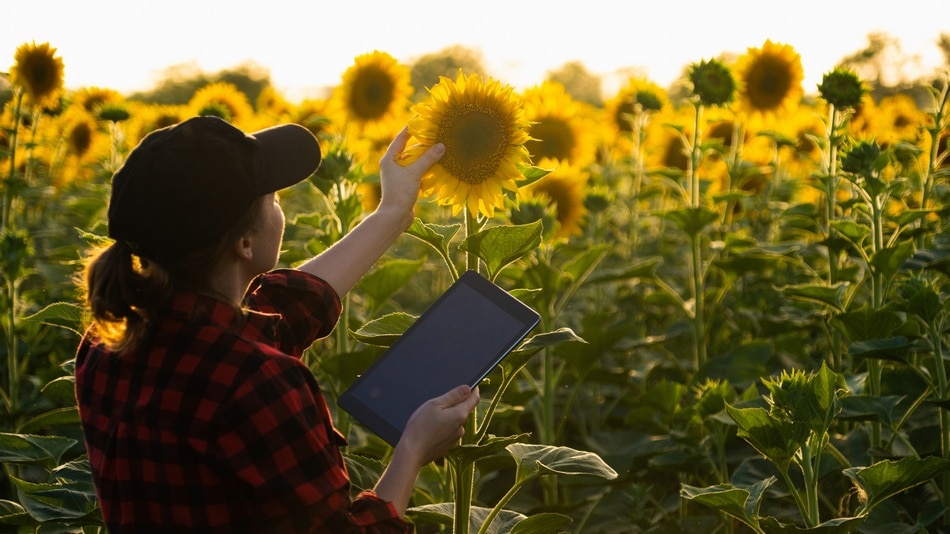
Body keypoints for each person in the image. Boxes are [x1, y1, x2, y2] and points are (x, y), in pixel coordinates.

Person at [74, 115, 480, 532]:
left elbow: (283, 308)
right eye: (274, 200)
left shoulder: (107, 343)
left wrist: (392, 212)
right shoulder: (258, 380)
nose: (279, 208)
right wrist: (412, 449)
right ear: (245, 243)